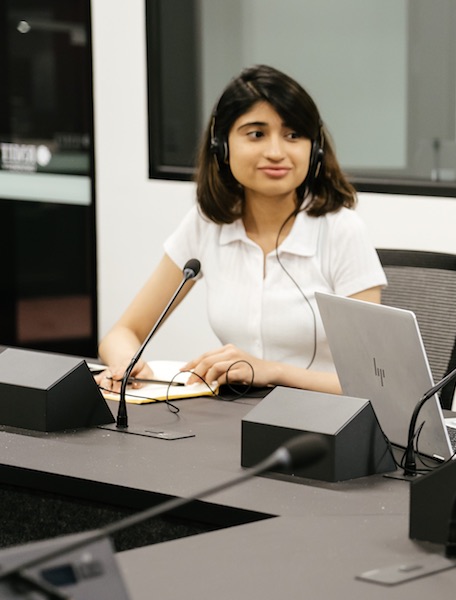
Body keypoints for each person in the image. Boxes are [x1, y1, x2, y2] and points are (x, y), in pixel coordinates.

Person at [97, 65, 385, 394]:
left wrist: (271, 372)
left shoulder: (342, 231)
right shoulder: (206, 224)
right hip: (236, 418)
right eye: (256, 134)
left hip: (329, 426)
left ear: (314, 149)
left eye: (293, 135)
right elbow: (122, 333)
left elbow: (375, 383)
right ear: (222, 146)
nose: (276, 152)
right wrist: (125, 364)